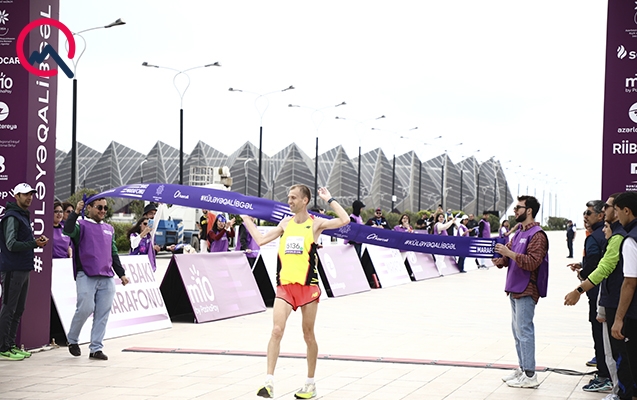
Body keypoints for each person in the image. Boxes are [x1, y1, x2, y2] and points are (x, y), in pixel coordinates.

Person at [241, 185, 349, 399]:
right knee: (276, 330)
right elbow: (261, 240)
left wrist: (329, 199)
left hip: (308, 288)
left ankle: (310, 384)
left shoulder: (316, 224)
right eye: (288, 197)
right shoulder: (285, 223)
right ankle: (268, 382)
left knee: (308, 335)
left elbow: (344, 220)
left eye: (293, 198)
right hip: (285, 287)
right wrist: (245, 218)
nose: (289, 201)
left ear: (304, 200)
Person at [564, 193, 631, 397]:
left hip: (614, 302)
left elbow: (604, 268)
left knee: (616, 352)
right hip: (609, 298)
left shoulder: (619, 237)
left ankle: (619, 391)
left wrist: (579, 290)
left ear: (620, 211)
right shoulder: (617, 235)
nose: (605, 211)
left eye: (608, 207)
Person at [63, 197, 130, 360]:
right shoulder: (81, 225)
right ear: (89, 208)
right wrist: (76, 212)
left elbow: (113, 253)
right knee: (85, 308)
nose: (103, 211)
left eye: (105, 208)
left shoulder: (109, 229)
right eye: (99, 207)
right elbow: (67, 230)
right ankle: (72, 339)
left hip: (106, 276)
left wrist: (121, 274)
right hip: (86, 274)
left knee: (103, 313)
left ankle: (96, 348)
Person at [493, 195, 548, 389]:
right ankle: (523, 369)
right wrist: (499, 258)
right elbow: (507, 256)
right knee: (517, 332)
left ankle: (530, 375)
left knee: (524, 331)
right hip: (514, 287)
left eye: (518, 208)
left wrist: (508, 253)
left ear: (529, 211)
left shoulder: (537, 235)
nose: (515, 211)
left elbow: (533, 262)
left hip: (527, 288)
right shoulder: (518, 233)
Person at [0, 183, 49, 361]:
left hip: (23, 267)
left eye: (31, 194)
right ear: (16, 196)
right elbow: (11, 244)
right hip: (12, 269)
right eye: (25, 194)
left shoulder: (22, 215)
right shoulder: (12, 217)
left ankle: (10, 345)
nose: (29, 197)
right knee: (9, 308)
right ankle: (2, 347)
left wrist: (34, 242)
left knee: (18, 309)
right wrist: (34, 243)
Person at [568, 200, 611, 384]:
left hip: (598, 293)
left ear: (600, 215)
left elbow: (595, 265)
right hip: (608, 293)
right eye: (584, 213)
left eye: (588, 213)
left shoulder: (594, 237)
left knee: (600, 334)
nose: (585, 216)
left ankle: (603, 376)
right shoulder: (608, 234)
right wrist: (582, 264)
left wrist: (582, 275)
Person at [611, 192, 637, 395]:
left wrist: (618, 319)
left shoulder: (630, 241)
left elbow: (629, 282)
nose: (616, 216)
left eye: (617, 211)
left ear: (627, 210)